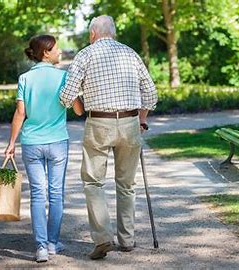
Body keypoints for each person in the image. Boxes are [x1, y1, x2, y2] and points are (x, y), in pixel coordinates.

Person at [60, 15, 157, 260]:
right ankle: (127, 240)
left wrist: (79, 103)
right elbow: (151, 93)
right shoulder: (130, 53)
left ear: (93, 33)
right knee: (127, 184)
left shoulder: (85, 54)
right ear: (112, 32)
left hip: (99, 122)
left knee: (93, 182)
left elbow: (66, 96)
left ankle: (103, 238)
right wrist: (142, 118)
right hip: (130, 122)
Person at [5, 35, 84, 263]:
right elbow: (78, 111)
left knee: (38, 194)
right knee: (56, 193)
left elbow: (20, 113)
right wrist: (77, 91)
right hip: (58, 142)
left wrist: (11, 143)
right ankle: (51, 243)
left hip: (31, 143)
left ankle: (40, 247)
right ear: (46, 52)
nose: (60, 52)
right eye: (57, 48)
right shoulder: (64, 76)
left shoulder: (25, 78)